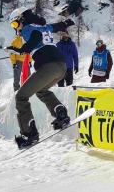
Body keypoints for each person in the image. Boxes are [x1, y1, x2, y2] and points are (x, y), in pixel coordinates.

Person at [5, 9, 75, 148]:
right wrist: (66, 23)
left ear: (21, 18)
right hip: (61, 67)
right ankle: (61, 114)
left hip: (48, 66)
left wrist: (22, 49)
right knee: (41, 91)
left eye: (15, 24)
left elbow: (36, 37)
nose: (16, 28)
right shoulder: (43, 26)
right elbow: (56, 27)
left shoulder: (27, 28)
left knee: (21, 97)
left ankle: (29, 134)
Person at [8, 19, 26, 91]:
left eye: (21, 31)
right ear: (17, 31)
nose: (20, 32)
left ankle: (27, 91)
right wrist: (14, 63)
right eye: (19, 31)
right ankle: (16, 91)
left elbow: (29, 51)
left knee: (28, 78)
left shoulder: (26, 39)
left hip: (26, 61)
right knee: (17, 78)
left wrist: (30, 61)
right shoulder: (15, 41)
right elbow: (12, 53)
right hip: (18, 61)